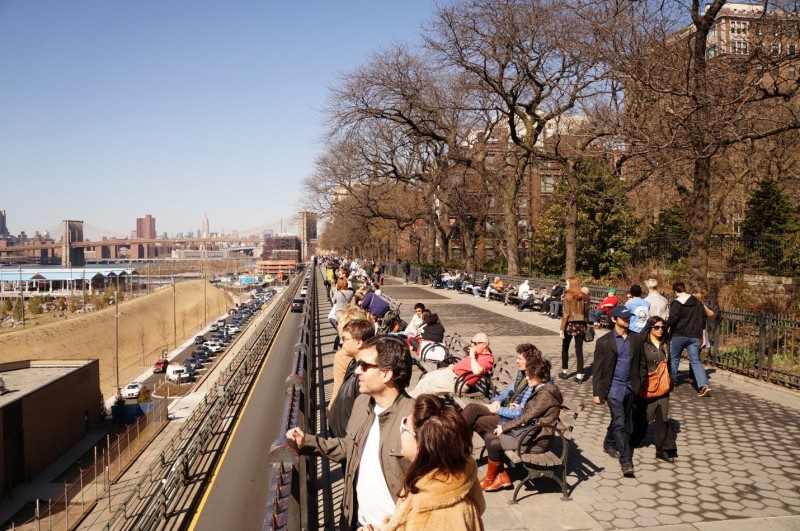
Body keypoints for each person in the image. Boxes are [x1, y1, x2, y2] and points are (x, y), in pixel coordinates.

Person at [286, 336, 415, 530]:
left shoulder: (417, 420)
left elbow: (436, 488)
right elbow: (350, 447)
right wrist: (308, 442)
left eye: (364, 366)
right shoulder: (362, 403)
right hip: (356, 521)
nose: (356, 371)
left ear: (386, 374)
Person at [359, 394, 485, 531]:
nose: (400, 431)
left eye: (405, 425)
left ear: (420, 444)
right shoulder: (436, 482)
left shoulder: (436, 516)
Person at [477, 358, 563, 491]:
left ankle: (491, 477)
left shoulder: (546, 394)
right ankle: (499, 476)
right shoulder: (541, 388)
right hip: (528, 432)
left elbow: (527, 417)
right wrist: (520, 407)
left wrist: (504, 427)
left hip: (537, 441)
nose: (526, 377)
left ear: (539, 376)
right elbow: (530, 412)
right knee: (489, 436)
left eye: (529, 375)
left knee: (493, 441)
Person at [460, 344, 543, 475]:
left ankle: (455, 451)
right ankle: (457, 451)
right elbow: (508, 391)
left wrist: (497, 410)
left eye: (519, 358)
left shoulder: (535, 379)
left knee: (475, 418)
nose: (516, 361)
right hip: (507, 413)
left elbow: (523, 413)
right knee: (472, 410)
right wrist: (497, 401)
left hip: (514, 423)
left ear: (529, 360)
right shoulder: (523, 374)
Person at [592, 306, 648, 477]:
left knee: (620, 419)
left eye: (628, 317)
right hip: (613, 388)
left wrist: (640, 381)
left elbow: (642, 363)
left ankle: (609, 443)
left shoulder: (636, 339)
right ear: (614, 319)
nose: (627, 320)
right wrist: (597, 393)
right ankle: (626, 462)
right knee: (621, 423)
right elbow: (598, 370)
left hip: (631, 387)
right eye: (623, 318)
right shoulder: (604, 342)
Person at [632, 316, 678, 463]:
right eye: (657, 327)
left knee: (662, 417)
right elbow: (636, 364)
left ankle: (663, 449)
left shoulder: (665, 343)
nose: (660, 330)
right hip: (646, 385)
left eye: (663, 328)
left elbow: (669, 363)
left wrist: (670, 380)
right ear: (650, 328)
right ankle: (635, 439)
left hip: (663, 385)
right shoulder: (642, 343)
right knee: (643, 416)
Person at [408, 333, 494, 398]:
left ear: (484, 344)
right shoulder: (478, 353)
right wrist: (453, 366)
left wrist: (472, 356)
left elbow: (477, 371)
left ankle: (409, 401)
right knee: (426, 378)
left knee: (427, 387)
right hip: (451, 373)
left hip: (458, 382)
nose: (472, 345)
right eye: (472, 342)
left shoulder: (487, 359)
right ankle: (411, 399)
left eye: (475, 343)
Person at [667, 282, 711, 397]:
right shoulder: (698, 303)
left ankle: (670, 383)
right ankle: (703, 385)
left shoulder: (676, 303)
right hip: (694, 336)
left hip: (679, 334)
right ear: (685, 289)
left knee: (675, 359)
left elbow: (673, 319)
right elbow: (703, 319)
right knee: (695, 360)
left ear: (675, 291)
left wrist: (666, 326)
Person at [330, 318, 375, 408]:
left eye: (344, 339)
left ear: (358, 342)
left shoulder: (364, 373)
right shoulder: (354, 362)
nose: (341, 342)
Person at [559, 277, 588, 383]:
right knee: (579, 350)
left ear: (571, 284)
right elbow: (586, 312)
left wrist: (562, 328)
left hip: (570, 324)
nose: (565, 285)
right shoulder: (583, 295)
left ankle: (565, 371)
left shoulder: (567, 295)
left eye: (567, 283)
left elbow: (565, 313)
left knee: (565, 348)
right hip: (580, 325)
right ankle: (579, 376)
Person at [330, 278, 355, 350]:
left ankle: (342, 348)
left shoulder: (337, 293)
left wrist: (332, 288)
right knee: (347, 331)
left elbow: (333, 301)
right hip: (347, 313)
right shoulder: (350, 292)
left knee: (341, 332)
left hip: (339, 315)